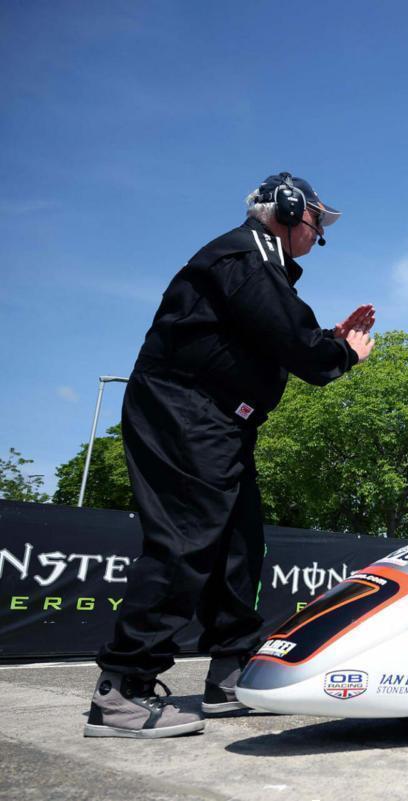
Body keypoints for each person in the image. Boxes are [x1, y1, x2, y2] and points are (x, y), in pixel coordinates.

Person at [85, 173, 375, 739]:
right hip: (186, 412)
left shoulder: (259, 266)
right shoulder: (244, 256)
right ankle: (122, 690)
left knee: (238, 545)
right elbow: (300, 348)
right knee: (187, 540)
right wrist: (340, 351)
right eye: (318, 224)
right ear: (291, 209)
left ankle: (230, 672)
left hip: (218, 420)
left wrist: (322, 339)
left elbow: (280, 333)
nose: (318, 238)